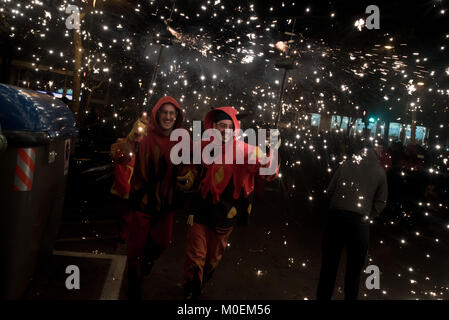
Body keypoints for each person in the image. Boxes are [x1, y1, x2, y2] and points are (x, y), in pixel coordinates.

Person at [182, 106, 279, 300]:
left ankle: (199, 282)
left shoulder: (246, 151)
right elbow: (185, 163)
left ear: (235, 129)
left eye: (229, 126)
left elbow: (268, 173)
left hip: (225, 214)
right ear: (212, 126)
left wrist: (270, 150)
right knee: (195, 258)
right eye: (221, 126)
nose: (225, 130)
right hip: (199, 210)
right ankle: (191, 295)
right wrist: (187, 175)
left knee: (212, 260)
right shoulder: (201, 145)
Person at [113, 96, 194, 300]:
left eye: (172, 113)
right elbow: (120, 157)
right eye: (164, 112)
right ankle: (134, 286)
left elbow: (189, 167)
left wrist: (189, 176)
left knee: (162, 243)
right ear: (157, 114)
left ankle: (147, 262)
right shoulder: (143, 134)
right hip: (141, 202)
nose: (168, 117)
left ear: (177, 117)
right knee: (135, 251)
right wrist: (131, 138)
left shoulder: (182, 139)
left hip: (166, 204)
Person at [316, 140, 388, 300]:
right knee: (354, 271)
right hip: (359, 222)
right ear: (376, 152)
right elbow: (381, 202)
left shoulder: (346, 164)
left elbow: (330, 191)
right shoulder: (379, 171)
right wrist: (368, 215)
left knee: (328, 268)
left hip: (337, 217)